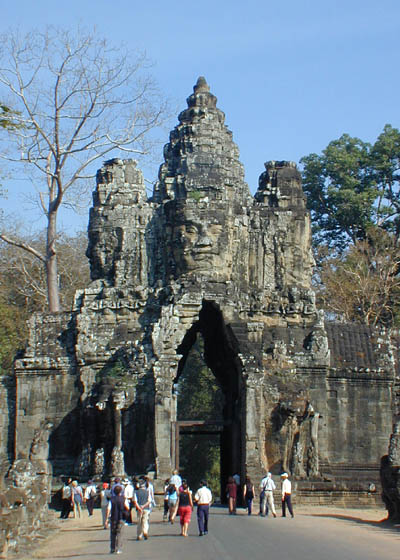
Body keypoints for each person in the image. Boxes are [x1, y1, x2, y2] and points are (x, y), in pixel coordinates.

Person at [109, 484, 129, 554]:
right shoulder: (123, 499)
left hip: (113, 517)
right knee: (120, 533)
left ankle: (112, 548)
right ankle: (118, 548)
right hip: (121, 517)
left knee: (113, 533)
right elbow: (127, 507)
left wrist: (106, 519)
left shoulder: (111, 499)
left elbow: (109, 509)